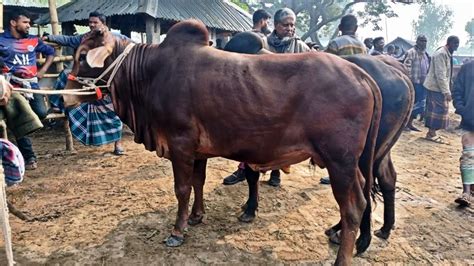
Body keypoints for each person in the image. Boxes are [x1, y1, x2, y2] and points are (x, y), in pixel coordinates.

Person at [223, 8, 310, 187]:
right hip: (261, 100)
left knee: (279, 140)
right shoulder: (262, 43)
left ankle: (276, 173)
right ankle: (243, 170)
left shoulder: (300, 46)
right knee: (252, 140)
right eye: (286, 24)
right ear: (276, 25)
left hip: (287, 102)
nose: (290, 28)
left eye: (293, 25)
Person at [44, 11, 128, 155]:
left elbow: (130, 45)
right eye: (90, 22)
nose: (91, 25)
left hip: (106, 81)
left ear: (103, 24)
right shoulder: (85, 38)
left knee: (114, 112)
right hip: (87, 79)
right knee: (65, 74)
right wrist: (50, 37)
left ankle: (118, 145)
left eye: (95, 22)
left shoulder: (116, 37)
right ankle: (58, 105)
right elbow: (67, 40)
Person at [0, 10, 55, 170]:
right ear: (13, 23)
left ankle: (22, 131)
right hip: (12, 88)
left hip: (31, 85)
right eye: (25, 22)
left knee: (41, 113)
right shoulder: (1, 40)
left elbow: (50, 52)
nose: (28, 26)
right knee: (19, 118)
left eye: (29, 23)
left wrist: (43, 70)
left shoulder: (33, 40)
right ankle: (30, 157)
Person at [423, 36, 460, 144]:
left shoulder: (447, 54)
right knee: (438, 110)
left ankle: (432, 133)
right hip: (436, 87)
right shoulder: (441, 54)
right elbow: (440, 75)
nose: (456, 46)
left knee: (437, 110)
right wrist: (446, 92)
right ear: (449, 43)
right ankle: (431, 134)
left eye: (458, 44)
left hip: (439, 87)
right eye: (455, 44)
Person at [452, 60, 474, 206]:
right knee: (468, 153)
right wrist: (462, 108)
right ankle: (466, 191)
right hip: (471, 118)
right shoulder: (467, 68)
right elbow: (457, 91)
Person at [403, 35, 430, 131]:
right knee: (411, 104)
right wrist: (409, 81)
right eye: (422, 41)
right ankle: (405, 124)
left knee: (419, 105)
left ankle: (410, 123)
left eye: (425, 41)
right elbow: (406, 67)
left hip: (423, 83)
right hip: (414, 83)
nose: (424, 43)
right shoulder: (411, 52)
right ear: (417, 41)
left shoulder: (425, 54)